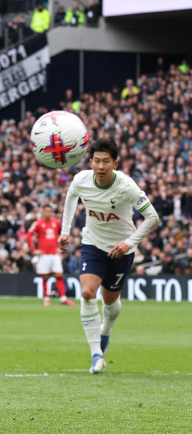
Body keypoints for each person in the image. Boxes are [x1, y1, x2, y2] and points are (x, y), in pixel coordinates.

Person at [59, 139, 158, 374]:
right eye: (96, 161)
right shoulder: (81, 180)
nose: (100, 166)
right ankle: (96, 354)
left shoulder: (127, 186)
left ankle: (105, 332)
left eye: (106, 161)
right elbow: (71, 196)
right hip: (92, 244)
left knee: (111, 301)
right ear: (90, 162)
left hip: (121, 249)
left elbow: (152, 217)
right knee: (86, 292)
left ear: (115, 163)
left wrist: (129, 243)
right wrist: (65, 231)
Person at [24, 204, 75, 306]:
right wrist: (34, 250)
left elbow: (64, 233)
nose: (48, 213)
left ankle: (63, 299)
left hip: (54, 254)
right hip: (44, 255)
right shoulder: (38, 223)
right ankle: (46, 299)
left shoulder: (56, 222)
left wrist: (61, 247)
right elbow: (28, 236)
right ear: (42, 212)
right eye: (46, 211)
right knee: (45, 277)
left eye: (50, 211)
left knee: (59, 275)